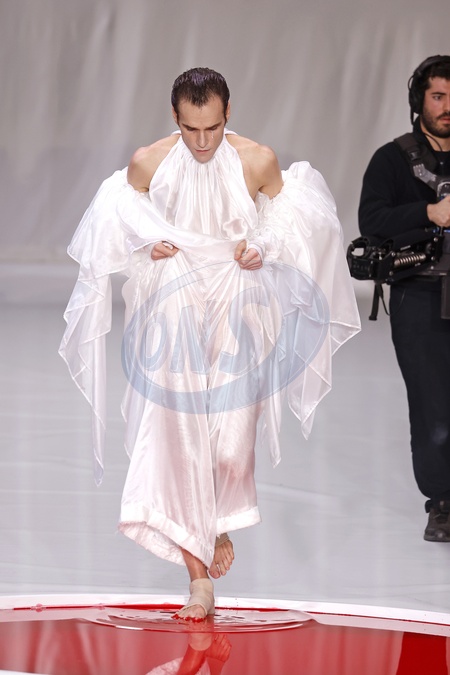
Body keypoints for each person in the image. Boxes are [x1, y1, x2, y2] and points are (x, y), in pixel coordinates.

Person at [60, 67, 360, 620]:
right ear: (175, 118)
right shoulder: (148, 163)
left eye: (213, 128)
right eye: (191, 128)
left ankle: (217, 519)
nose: (203, 141)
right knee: (177, 434)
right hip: (170, 303)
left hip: (239, 301)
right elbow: (116, 228)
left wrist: (262, 245)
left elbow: (298, 221)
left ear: (228, 115)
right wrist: (145, 248)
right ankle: (199, 579)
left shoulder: (257, 160)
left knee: (230, 440)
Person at [358, 55, 450, 541]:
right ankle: (443, 503)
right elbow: (371, 222)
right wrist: (429, 213)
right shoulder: (392, 160)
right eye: (438, 96)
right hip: (419, 294)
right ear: (419, 101)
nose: (447, 106)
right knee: (433, 404)